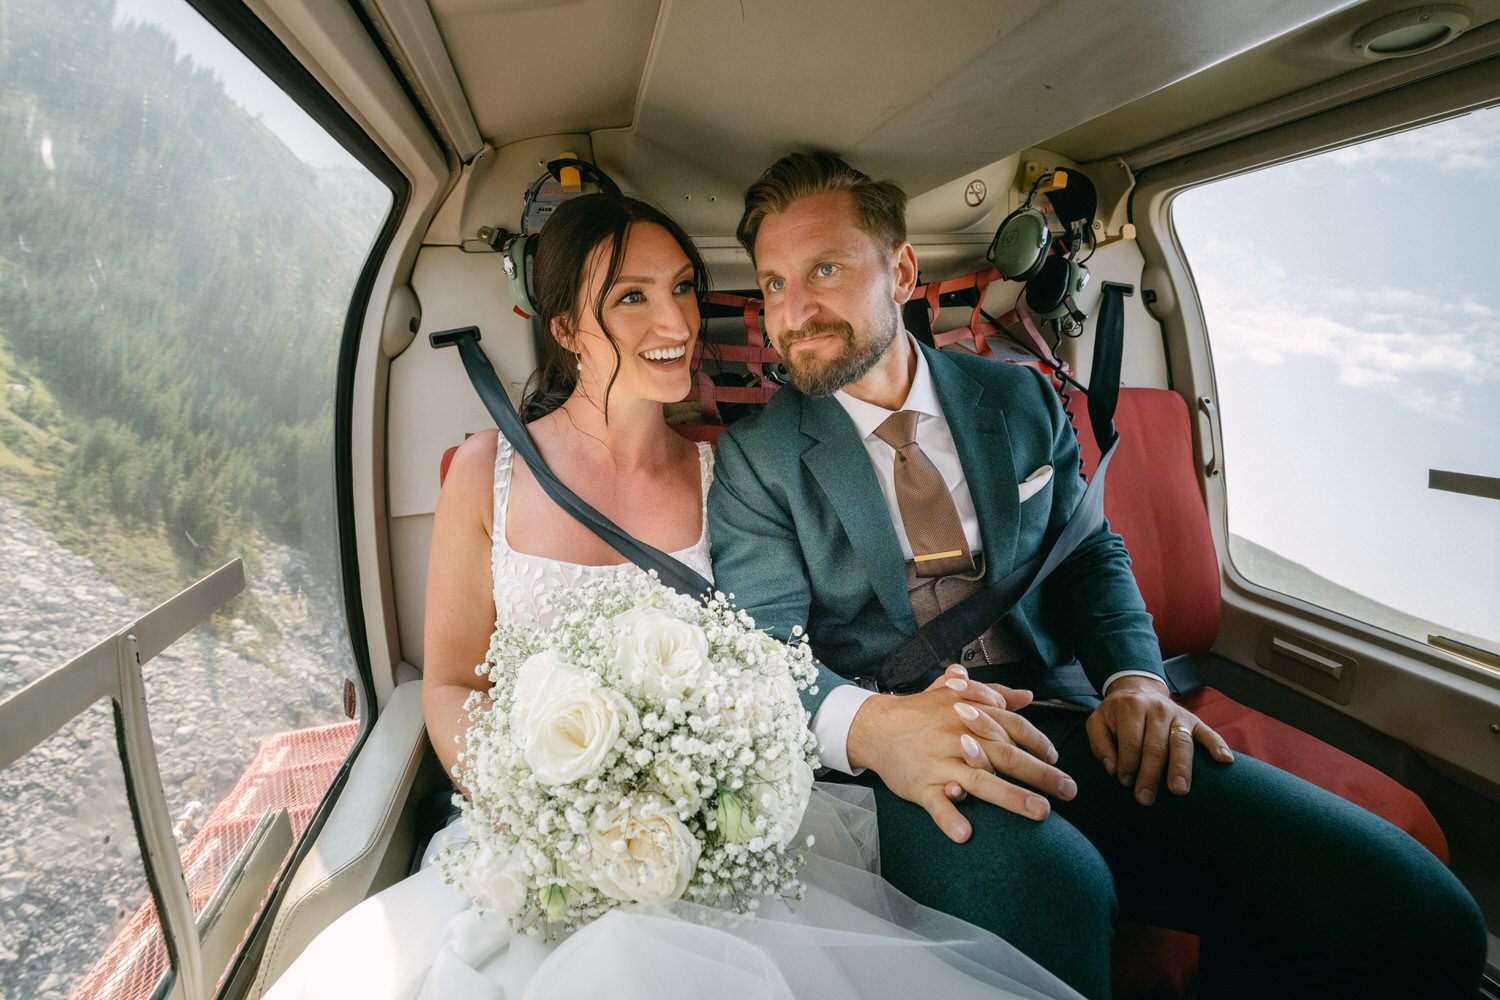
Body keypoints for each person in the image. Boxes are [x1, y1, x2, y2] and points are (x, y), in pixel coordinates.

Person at [260, 192, 1088, 1000]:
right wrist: (538, 812)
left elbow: (761, 657)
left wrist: (684, 804)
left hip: (692, 824)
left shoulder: (727, 472)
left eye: (684, 288)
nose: (677, 323)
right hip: (523, 826)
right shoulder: (485, 471)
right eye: (632, 297)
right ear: (565, 330)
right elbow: (450, 683)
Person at [706, 152, 1487, 1000]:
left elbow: (1088, 554)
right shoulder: (758, 459)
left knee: (1415, 913)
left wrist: (1136, 679)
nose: (794, 311)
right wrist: (877, 733)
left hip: (1070, 712)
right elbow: (760, 651)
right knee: (1056, 893)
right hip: (912, 759)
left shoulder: (1018, 398)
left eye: (824, 270)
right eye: (774, 284)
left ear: (900, 271)